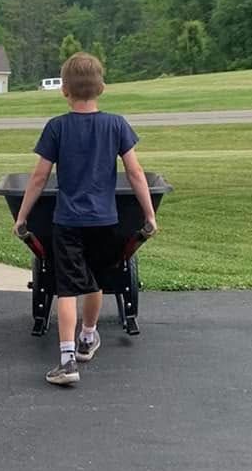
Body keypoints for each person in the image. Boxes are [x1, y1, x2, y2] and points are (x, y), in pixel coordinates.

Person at [11, 52, 157, 387]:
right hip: (106, 221)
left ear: (64, 90)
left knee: (66, 290)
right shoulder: (117, 124)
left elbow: (38, 178)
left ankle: (66, 361)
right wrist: (148, 213)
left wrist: (23, 216)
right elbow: (134, 172)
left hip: (67, 221)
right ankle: (88, 337)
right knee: (96, 282)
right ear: (101, 88)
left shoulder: (57, 127)